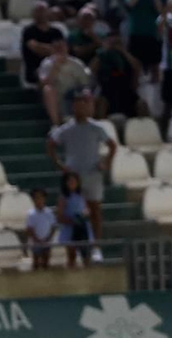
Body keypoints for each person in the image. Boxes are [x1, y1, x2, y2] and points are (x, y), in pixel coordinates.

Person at [47, 92, 115, 259]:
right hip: (73, 177)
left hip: (92, 174)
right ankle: (74, 248)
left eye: (83, 104)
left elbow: (112, 146)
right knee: (72, 212)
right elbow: (51, 145)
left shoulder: (96, 127)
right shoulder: (66, 128)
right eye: (77, 105)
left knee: (94, 210)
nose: (80, 108)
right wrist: (59, 165)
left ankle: (95, 247)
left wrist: (105, 163)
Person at [55, 172, 92, 268]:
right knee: (72, 255)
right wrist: (72, 221)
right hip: (70, 229)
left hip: (83, 228)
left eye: (74, 181)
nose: (72, 183)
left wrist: (84, 215)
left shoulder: (82, 196)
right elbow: (59, 216)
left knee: (86, 254)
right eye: (70, 181)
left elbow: (87, 209)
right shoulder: (63, 198)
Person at [25, 187, 58, 270]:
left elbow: (53, 227)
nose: (38, 200)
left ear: (44, 198)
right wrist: (37, 240)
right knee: (36, 263)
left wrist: (48, 238)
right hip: (35, 242)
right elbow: (30, 229)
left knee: (46, 262)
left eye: (41, 197)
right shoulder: (30, 214)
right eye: (36, 197)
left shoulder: (49, 212)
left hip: (47, 241)